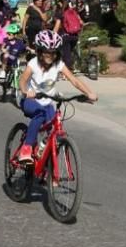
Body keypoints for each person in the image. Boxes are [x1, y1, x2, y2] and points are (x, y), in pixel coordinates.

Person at [16, 30, 97, 162]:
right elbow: (22, 80)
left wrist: (88, 93)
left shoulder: (58, 64)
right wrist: (26, 91)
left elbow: (74, 80)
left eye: (53, 53)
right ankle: (27, 147)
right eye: (47, 52)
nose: (50, 56)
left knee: (55, 133)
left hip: (48, 103)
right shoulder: (33, 64)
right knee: (40, 114)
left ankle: (49, 171)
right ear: (39, 51)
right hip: (30, 100)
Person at [53, 0, 83, 69]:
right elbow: (81, 22)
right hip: (74, 36)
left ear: (60, 3)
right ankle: (72, 65)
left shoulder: (60, 13)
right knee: (69, 51)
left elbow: (57, 26)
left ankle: (66, 72)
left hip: (65, 36)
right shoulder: (73, 11)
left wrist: (52, 36)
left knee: (65, 54)